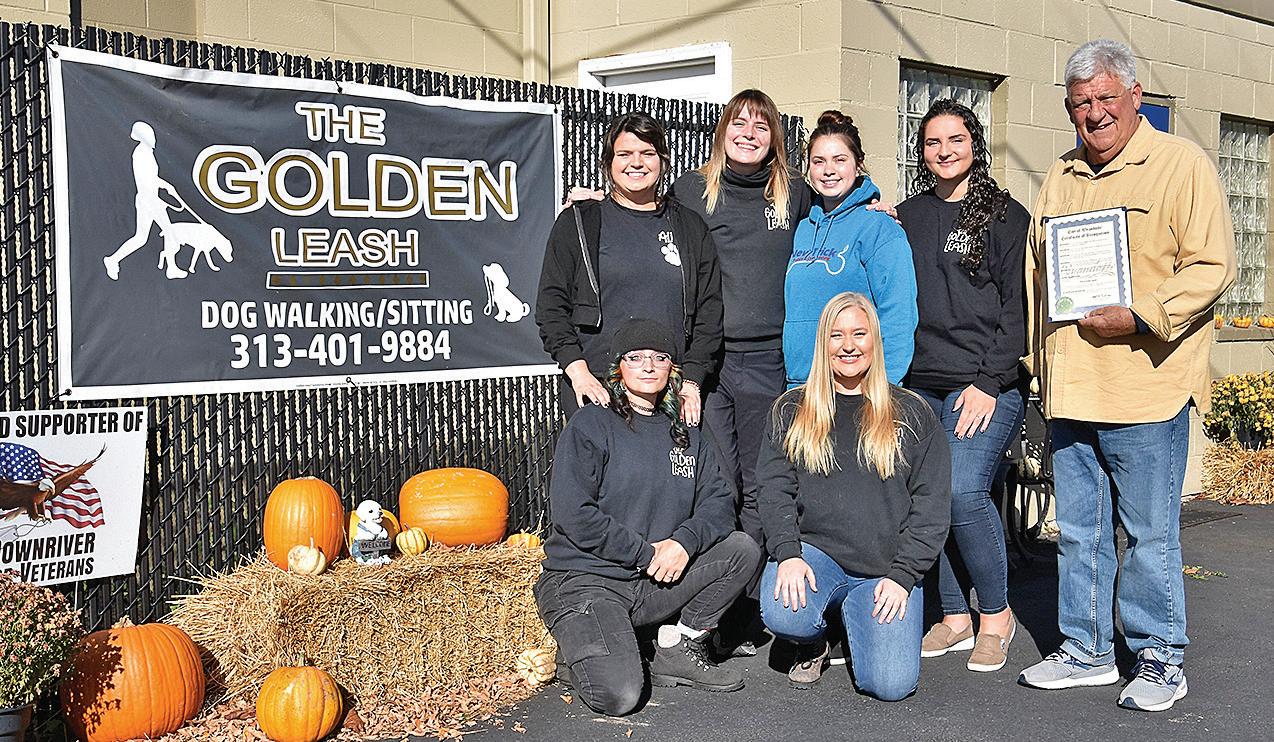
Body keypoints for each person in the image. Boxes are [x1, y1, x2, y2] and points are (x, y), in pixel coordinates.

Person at [1017, 40, 1236, 712]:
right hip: (1073, 388)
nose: (1095, 113)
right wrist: (1039, 375)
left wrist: (1141, 315)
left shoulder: (1181, 165)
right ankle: (1086, 651)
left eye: (1106, 98)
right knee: (1080, 533)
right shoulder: (1060, 176)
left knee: (1148, 536)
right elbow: (1038, 283)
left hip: (1146, 389)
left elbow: (1212, 267)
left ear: (1135, 96)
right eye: (1080, 103)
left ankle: (1160, 659)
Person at [534, 319, 762, 716]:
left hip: (651, 582)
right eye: (636, 357)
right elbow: (574, 514)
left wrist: (684, 543)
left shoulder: (686, 432)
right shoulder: (592, 423)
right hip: (589, 580)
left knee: (741, 549)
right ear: (618, 368)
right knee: (621, 695)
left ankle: (677, 646)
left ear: (672, 369)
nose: (648, 366)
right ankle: (577, 654)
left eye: (659, 358)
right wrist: (646, 554)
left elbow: (720, 502)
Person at [756, 292, 951, 700]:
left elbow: (931, 507)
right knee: (784, 611)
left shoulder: (912, 413)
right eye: (837, 335)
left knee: (891, 685)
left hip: (885, 571)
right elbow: (775, 490)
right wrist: (787, 553)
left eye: (859, 334)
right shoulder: (791, 410)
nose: (848, 346)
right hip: (816, 559)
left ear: (875, 340)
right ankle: (814, 638)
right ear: (822, 343)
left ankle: (854, 619)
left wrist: (903, 577)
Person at [896, 99, 1030, 673]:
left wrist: (988, 382)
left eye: (955, 139)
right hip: (921, 384)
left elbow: (1018, 310)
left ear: (975, 145)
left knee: (963, 492)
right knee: (933, 498)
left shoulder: (1005, 216)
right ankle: (954, 616)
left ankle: (996, 615)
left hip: (984, 384)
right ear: (921, 152)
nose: (944, 150)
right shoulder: (908, 216)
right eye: (932, 142)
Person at [670, 89, 811, 558]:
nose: (748, 134)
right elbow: (644, 215)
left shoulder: (794, 191)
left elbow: (840, 199)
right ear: (723, 131)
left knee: (759, 480)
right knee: (719, 479)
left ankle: (752, 589)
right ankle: (720, 579)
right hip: (710, 362)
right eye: (739, 123)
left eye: (761, 126)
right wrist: (594, 201)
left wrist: (876, 204)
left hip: (769, 361)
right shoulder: (692, 191)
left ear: (774, 138)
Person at [536, 112, 722, 423]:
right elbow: (551, 307)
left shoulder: (690, 227)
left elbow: (709, 312)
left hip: (668, 391)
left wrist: (691, 381)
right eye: (624, 154)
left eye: (647, 153)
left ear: (662, 161)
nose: (636, 163)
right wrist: (578, 372)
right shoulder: (579, 222)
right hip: (598, 385)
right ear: (608, 162)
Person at [784, 111, 917, 388]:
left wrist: (886, 386)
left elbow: (899, 314)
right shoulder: (803, 228)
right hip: (801, 383)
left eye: (840, 160)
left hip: (856, 387)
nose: (828, 170)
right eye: (818, 161)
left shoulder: (879, 227)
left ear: (858, 164)